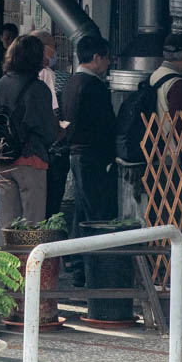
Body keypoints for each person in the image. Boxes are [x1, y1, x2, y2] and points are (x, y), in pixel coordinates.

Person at [0, 35, 60, 227]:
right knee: (32, 219)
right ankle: (30, 257)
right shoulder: (39, 88)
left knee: (8, 219)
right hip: (31, 158)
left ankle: (7, 256)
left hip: (3, 157)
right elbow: (48, 130)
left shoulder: (2, 83)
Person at [62, 34, 116, 281]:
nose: (108, 64)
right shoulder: (94, 86)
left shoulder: (72, 82)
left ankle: (76, 263)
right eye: (106, 59)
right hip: (93, 154)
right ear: (96, 58)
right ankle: (91, 266)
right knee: (95, 212)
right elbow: (105, 125)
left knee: (82, 210)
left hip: (76, 153)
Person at [31, 30, 70, 218]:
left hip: (21, 149)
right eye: (53, 46)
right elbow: (53, 110)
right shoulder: (46, 74)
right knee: (49, 204)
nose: (55, 52)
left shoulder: (13, 75)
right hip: (45, 149)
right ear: (43, 49)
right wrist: (60, 130)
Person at [151, 33, 182, 118]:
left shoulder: (154, 76)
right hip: (169, 131)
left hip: (153, 131)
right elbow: (179, 124)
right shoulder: (178, 84)